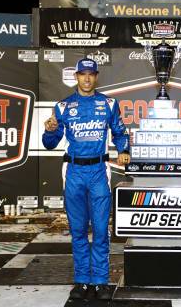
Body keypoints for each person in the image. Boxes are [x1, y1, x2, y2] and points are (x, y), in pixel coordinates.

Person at [42, 57, 130, 300]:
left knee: (101, 230)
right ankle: (81, 281)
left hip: (99, 171)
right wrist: (49, 131)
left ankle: (101, 281)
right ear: (77, 77)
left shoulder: (109, 103)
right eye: (83, 74)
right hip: (74, 172)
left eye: (91, 74)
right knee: (78, 229)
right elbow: (50, 144)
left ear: (96, 76)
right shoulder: (62, 106)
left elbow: (120, 132)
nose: (87, 78)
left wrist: (123, 151)